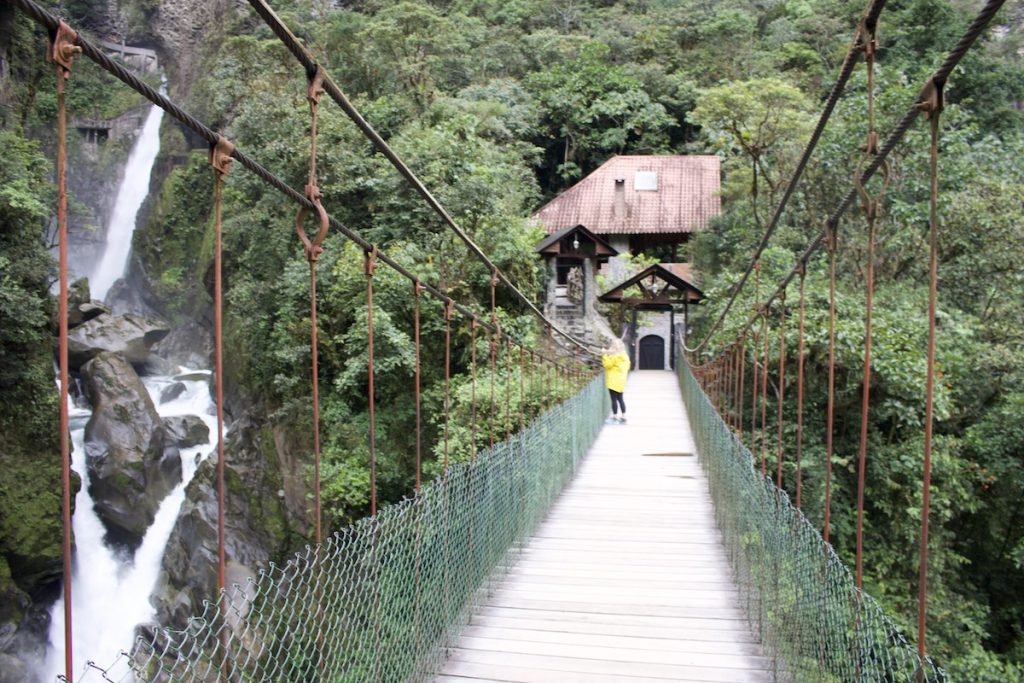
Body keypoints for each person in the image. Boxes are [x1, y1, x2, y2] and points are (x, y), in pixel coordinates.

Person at [601, 339, 630, 424]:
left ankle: (614, 417)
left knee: (613, 399)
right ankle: (624, 417)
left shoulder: (615, 356)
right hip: (621, 380)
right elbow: (628, 366)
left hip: (613, 380)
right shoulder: (624, 355)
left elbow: (607, 365)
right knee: (620, 399)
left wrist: (604, 355)